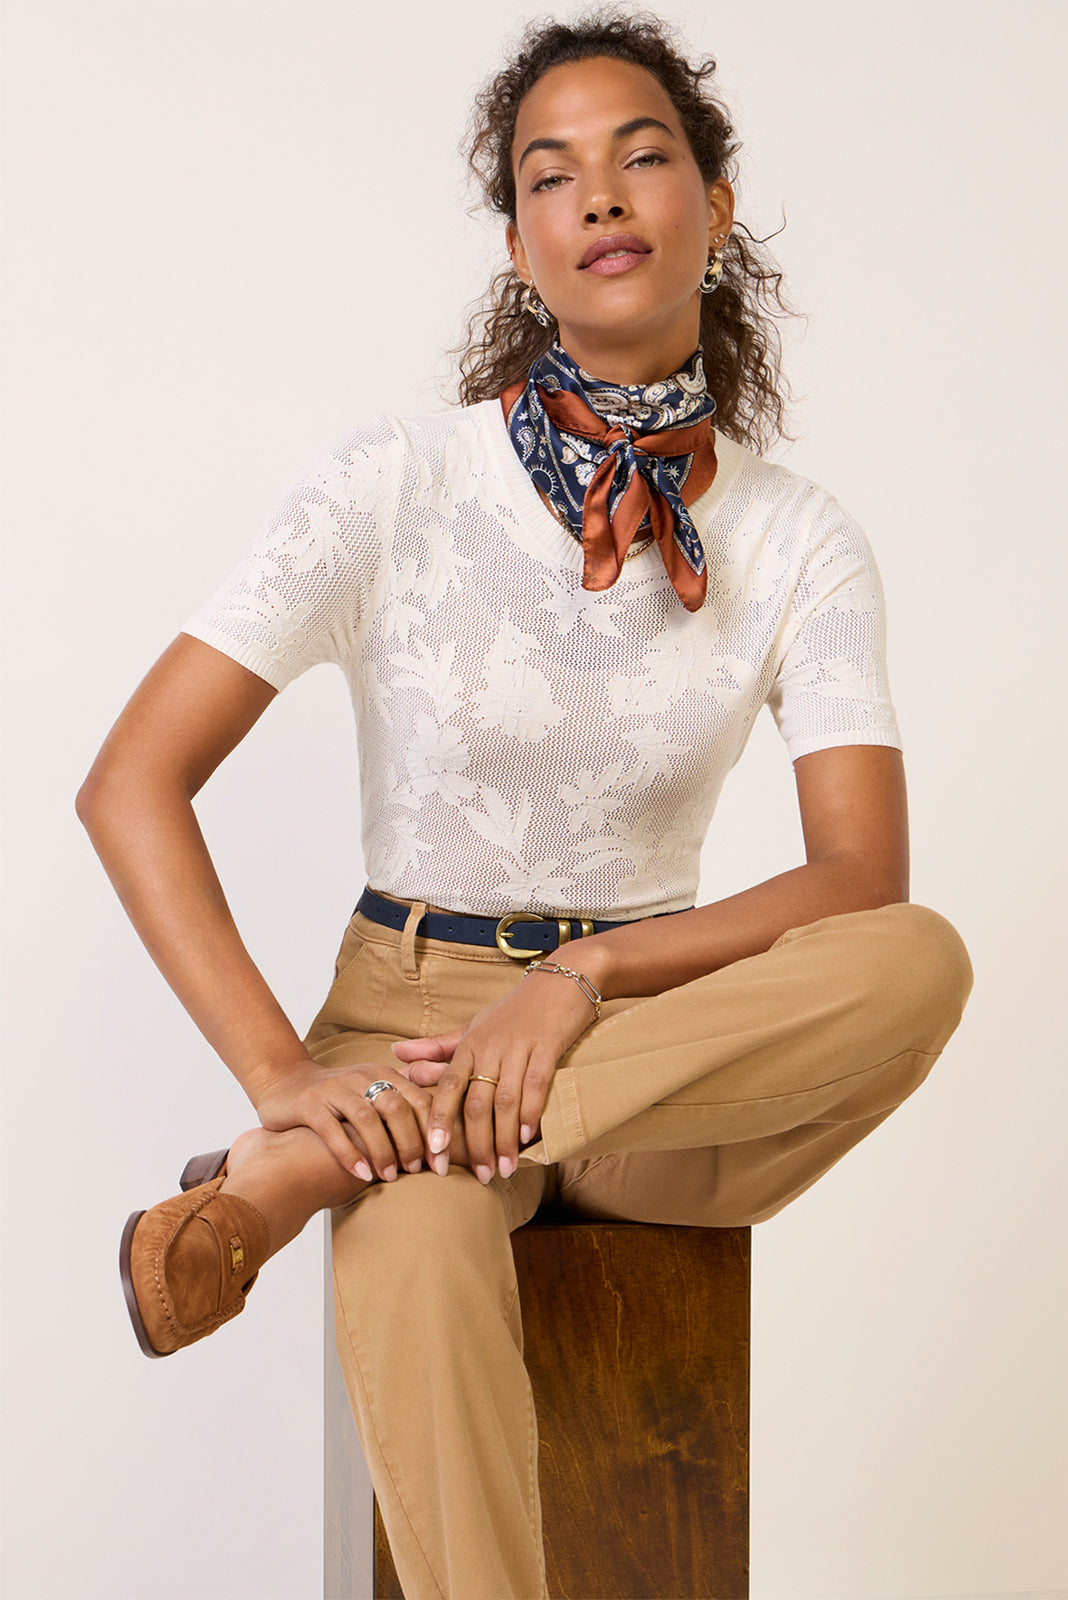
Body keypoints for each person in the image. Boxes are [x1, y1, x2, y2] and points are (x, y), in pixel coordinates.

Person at [77, 13, 973, 1599]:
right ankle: (380, 1140)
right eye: (552, 176)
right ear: (521, 245)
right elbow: (130, 783)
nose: (600, 196)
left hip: (655, 1055)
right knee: (421, 1243)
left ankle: (323, 1169)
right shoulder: (399, 479)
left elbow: (858, 877)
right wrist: (284, 1075)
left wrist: (583, 977)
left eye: (642, 157)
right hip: (405, 1020)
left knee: (921, 956)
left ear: (716, 202)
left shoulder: (801, 540)